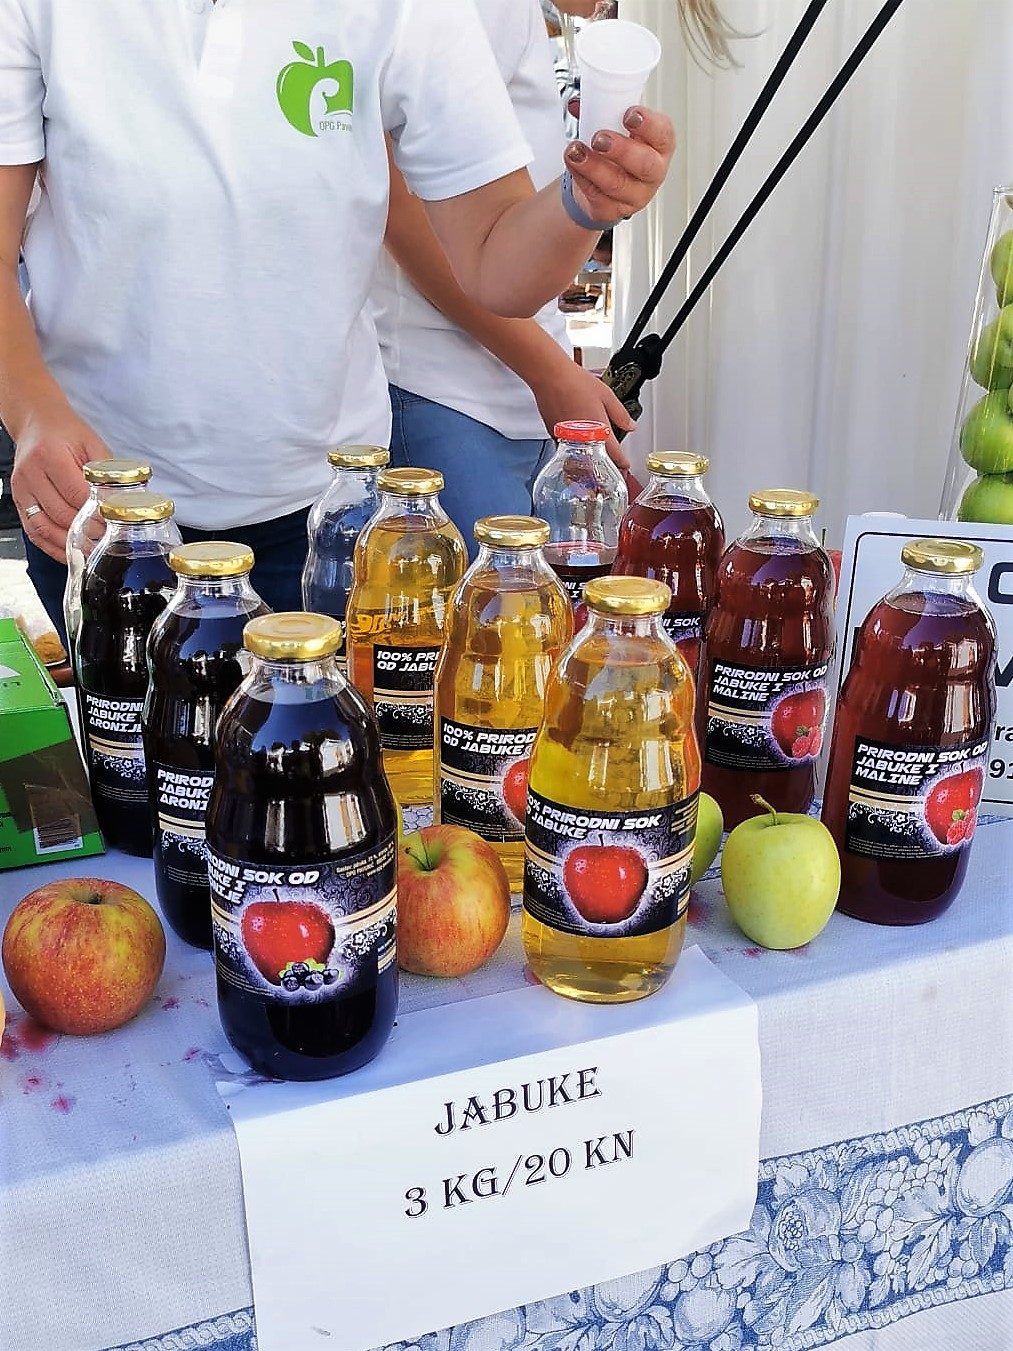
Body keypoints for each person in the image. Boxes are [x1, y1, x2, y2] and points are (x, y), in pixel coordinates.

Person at [0, 0, 674, 641]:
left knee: (329, 758)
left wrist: (583, 205)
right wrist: (33, 414)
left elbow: (497, 266)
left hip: (330, 518)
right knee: (134, 762)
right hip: (101, 504)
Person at [376, 0, 744, 546]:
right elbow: (404, 214)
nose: (608, 9)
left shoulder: (516, 16)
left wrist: (587, 201)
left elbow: (500, 230)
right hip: (439, 394)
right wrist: (550, 372)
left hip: (505, 394)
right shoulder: (478, 13)